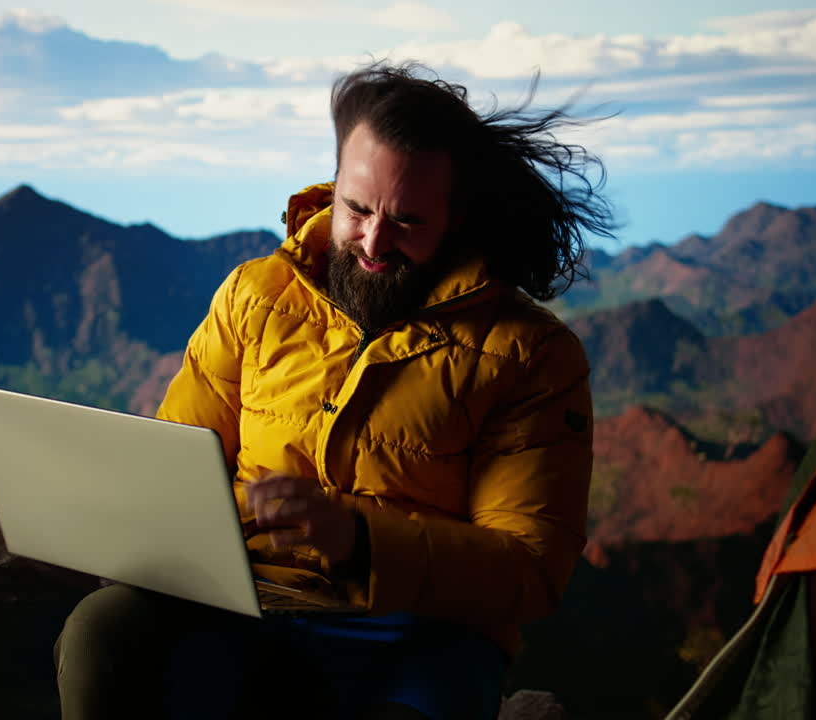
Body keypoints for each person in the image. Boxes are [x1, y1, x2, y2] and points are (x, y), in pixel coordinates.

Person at [54, 61, 616, 720]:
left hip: (422, 631)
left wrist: (357, 538)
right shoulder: (254, 296)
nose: (374, 241)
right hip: (248, 599)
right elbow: (177, 468)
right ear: (333, 184)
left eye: (407, 220)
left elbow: (530, 569)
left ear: (457, 217)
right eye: (357, 208)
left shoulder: (529, 356)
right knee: (102, 631)